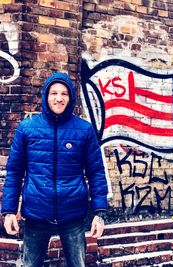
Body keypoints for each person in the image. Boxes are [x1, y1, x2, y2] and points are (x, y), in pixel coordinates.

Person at [1, 72, 108, 267]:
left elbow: (96, 173)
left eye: (64, 94)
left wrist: (99, 213)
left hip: (73, 214)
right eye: (54, 93)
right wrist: (9, 211)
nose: (59, 98)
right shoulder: (27, 128)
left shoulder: (84, 130)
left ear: (71, 98)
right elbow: (15, 172)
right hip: (36, 213)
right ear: (46, 96)